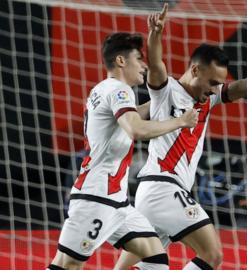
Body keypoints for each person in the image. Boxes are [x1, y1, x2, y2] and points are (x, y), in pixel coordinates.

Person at [116, 4, 247, 270]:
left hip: (159, 193)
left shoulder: (209, 100)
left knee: (149, 265)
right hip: (162, 189)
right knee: (213, 255)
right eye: (211, 83)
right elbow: (155, 64)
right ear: (195, 70)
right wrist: (155, 35)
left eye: (218, 84)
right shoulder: (166, 91)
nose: (213, 90)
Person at [48, 30, 199, 270]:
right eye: (138, 58)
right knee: (67, 265)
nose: (143, 66)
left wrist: (162, 100)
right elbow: (135, 129)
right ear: (121, 61)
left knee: (155, 258)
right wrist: (180, 122)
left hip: (117, 202)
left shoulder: (104, 89)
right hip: (96, 197)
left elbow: (129, 117)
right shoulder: (119, 89)